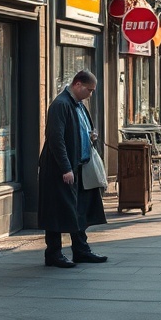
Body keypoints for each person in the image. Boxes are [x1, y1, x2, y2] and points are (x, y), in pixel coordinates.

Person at [37, 70, 108, 268]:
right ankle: (53, 254)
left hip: (78, 167)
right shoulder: (61, 105)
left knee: (78, 210)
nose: (91, 95)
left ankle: (81, 250)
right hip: (60, 169)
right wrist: (66, 168)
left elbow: (76, 131)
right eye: (90, 90)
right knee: (57, 211)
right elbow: (55, 138)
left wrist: (90, 136)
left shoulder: (78, 105)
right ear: (78, 84)